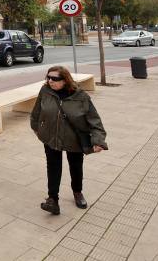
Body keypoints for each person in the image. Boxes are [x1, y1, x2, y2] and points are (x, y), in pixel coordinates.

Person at [30, 65, 107, 215]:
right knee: (53, 166)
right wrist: (37, 128)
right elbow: (36, 112)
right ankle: (52, 199)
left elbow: (95, 121)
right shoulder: (45, 91)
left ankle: (77, 192)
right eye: (48, 77)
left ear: (65, 80)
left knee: (76, 166)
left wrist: (98, 141)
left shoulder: (80, 97)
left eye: (55, 78)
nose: (50, 81)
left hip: (74, 139)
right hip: (51, 137)